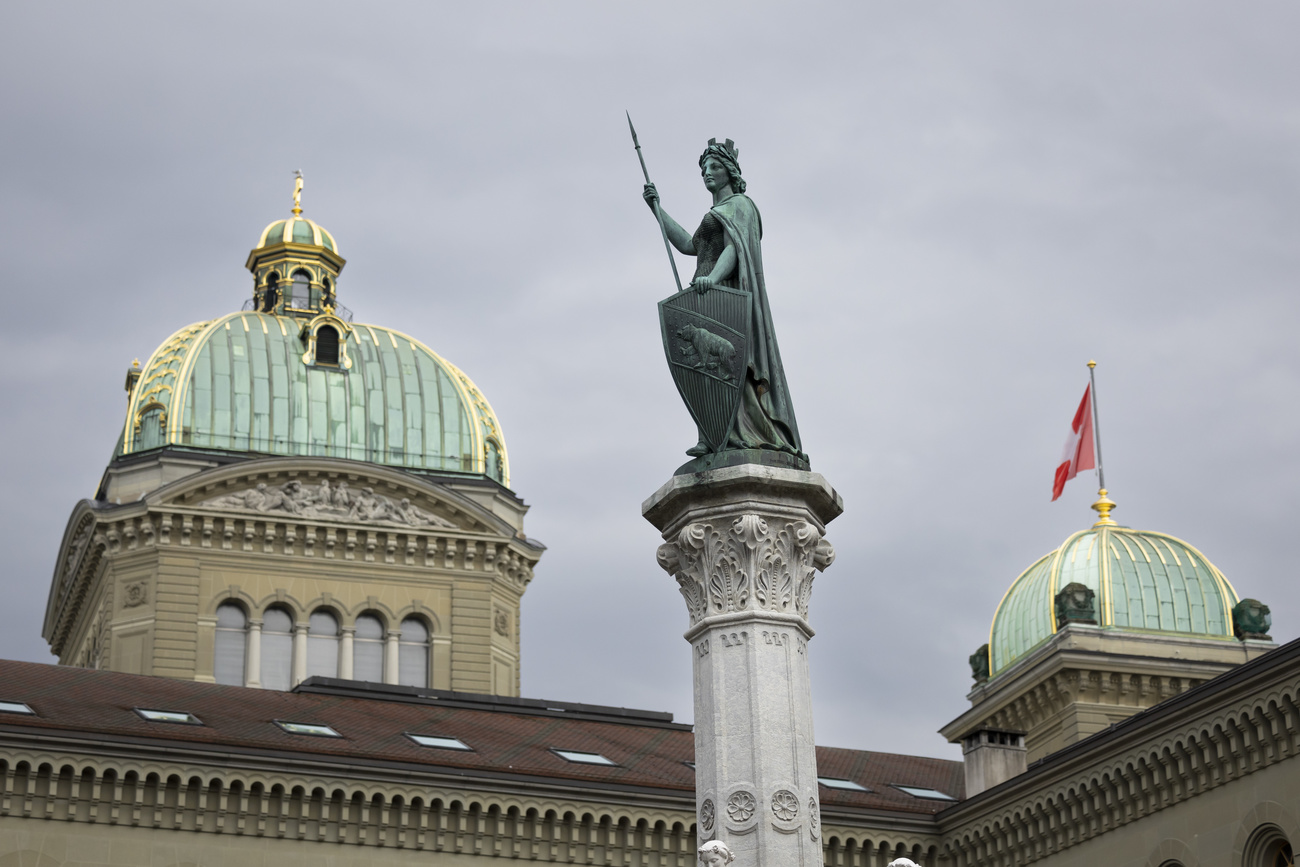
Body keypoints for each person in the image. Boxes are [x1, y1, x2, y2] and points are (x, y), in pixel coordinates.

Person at [643, 139, 802, 458]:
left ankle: (747, 431)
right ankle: (713, 433)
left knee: (732, 363)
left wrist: (712, 279)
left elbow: (734, 248)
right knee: (706, 368)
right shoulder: (713, 212)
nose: (707, 173)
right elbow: (690, 245)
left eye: (714, 167)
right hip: (706, 292)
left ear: (730, 171)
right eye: (704, 169)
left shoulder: (741, 206)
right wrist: (657, 209)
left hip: (726, 291)